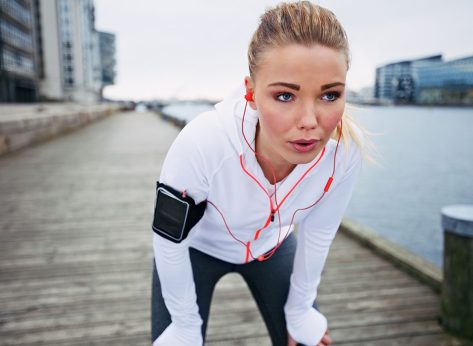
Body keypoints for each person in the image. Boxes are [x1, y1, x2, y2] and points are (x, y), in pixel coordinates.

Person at [151, 1, 366, 345]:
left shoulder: (343, 153)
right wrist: (185, 326)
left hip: (272, 246)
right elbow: (168, 241)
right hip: (195, 250)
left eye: (329, 95)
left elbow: (318, 235)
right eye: (285, 95)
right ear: (250, 92)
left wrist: (299, 312)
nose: (310, 121)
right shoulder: (202, 143)